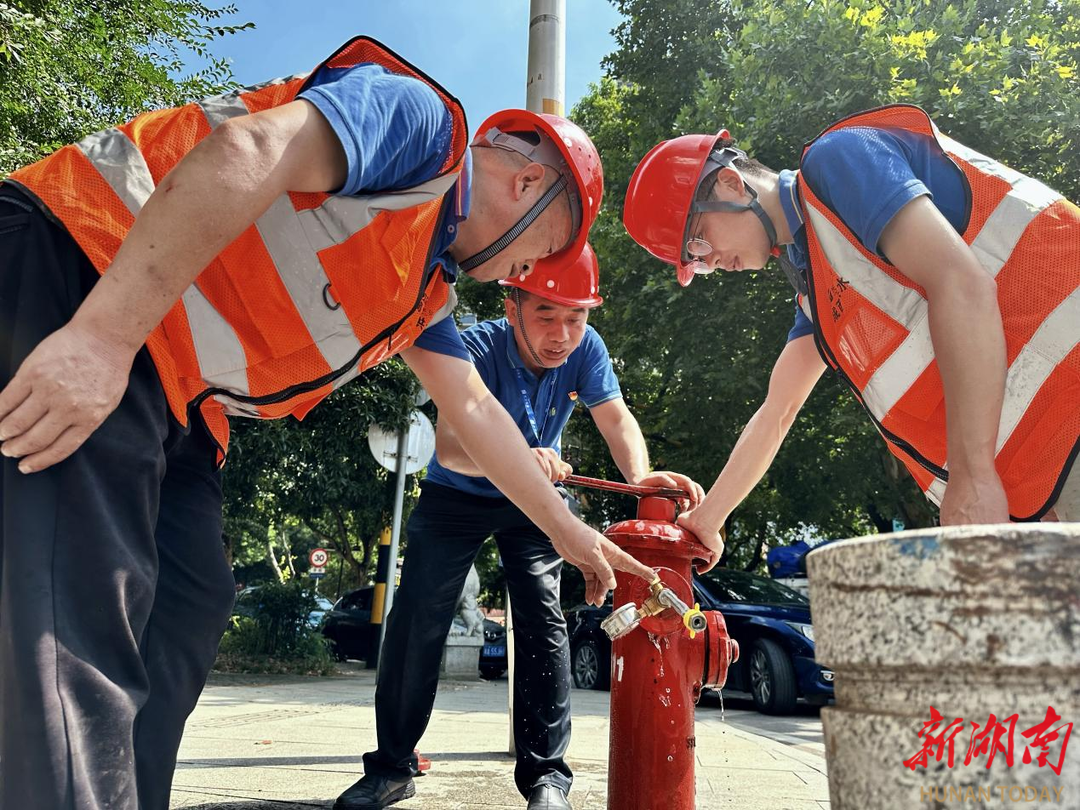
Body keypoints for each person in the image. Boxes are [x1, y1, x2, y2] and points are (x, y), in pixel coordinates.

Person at [0, 35, 654, 810]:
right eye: (540, 250)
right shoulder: (421, 128)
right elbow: (247, 148)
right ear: (527, 180)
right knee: (76, 597)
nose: (525, 273)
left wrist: (579, 537)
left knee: (189, 598)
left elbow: (474, 410)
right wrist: (103, 336)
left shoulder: (425, 292)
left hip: (172, 384)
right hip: (81, 264)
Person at [622, 103, 1080, 565]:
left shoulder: (837, 159)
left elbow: (959, 282)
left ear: (730, 183)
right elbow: (777, 412)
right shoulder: (816, 286)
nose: (710, 262)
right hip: (1045, 472)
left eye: (698, 241)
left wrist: (974, 475)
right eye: (696, 262)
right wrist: (707, 522)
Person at [335, 244, 704, 810]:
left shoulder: (587, 351)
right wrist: (521, 457)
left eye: (576, 318)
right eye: (546, 316)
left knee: (542, 615)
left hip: (535, 503)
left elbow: (615, 418)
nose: (562, 334)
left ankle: (546, 778)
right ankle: (391, 768)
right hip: (455, 494)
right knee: (417, 620)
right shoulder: (476, 346)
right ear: (513, 310)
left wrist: (643, 478)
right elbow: (455, 448)